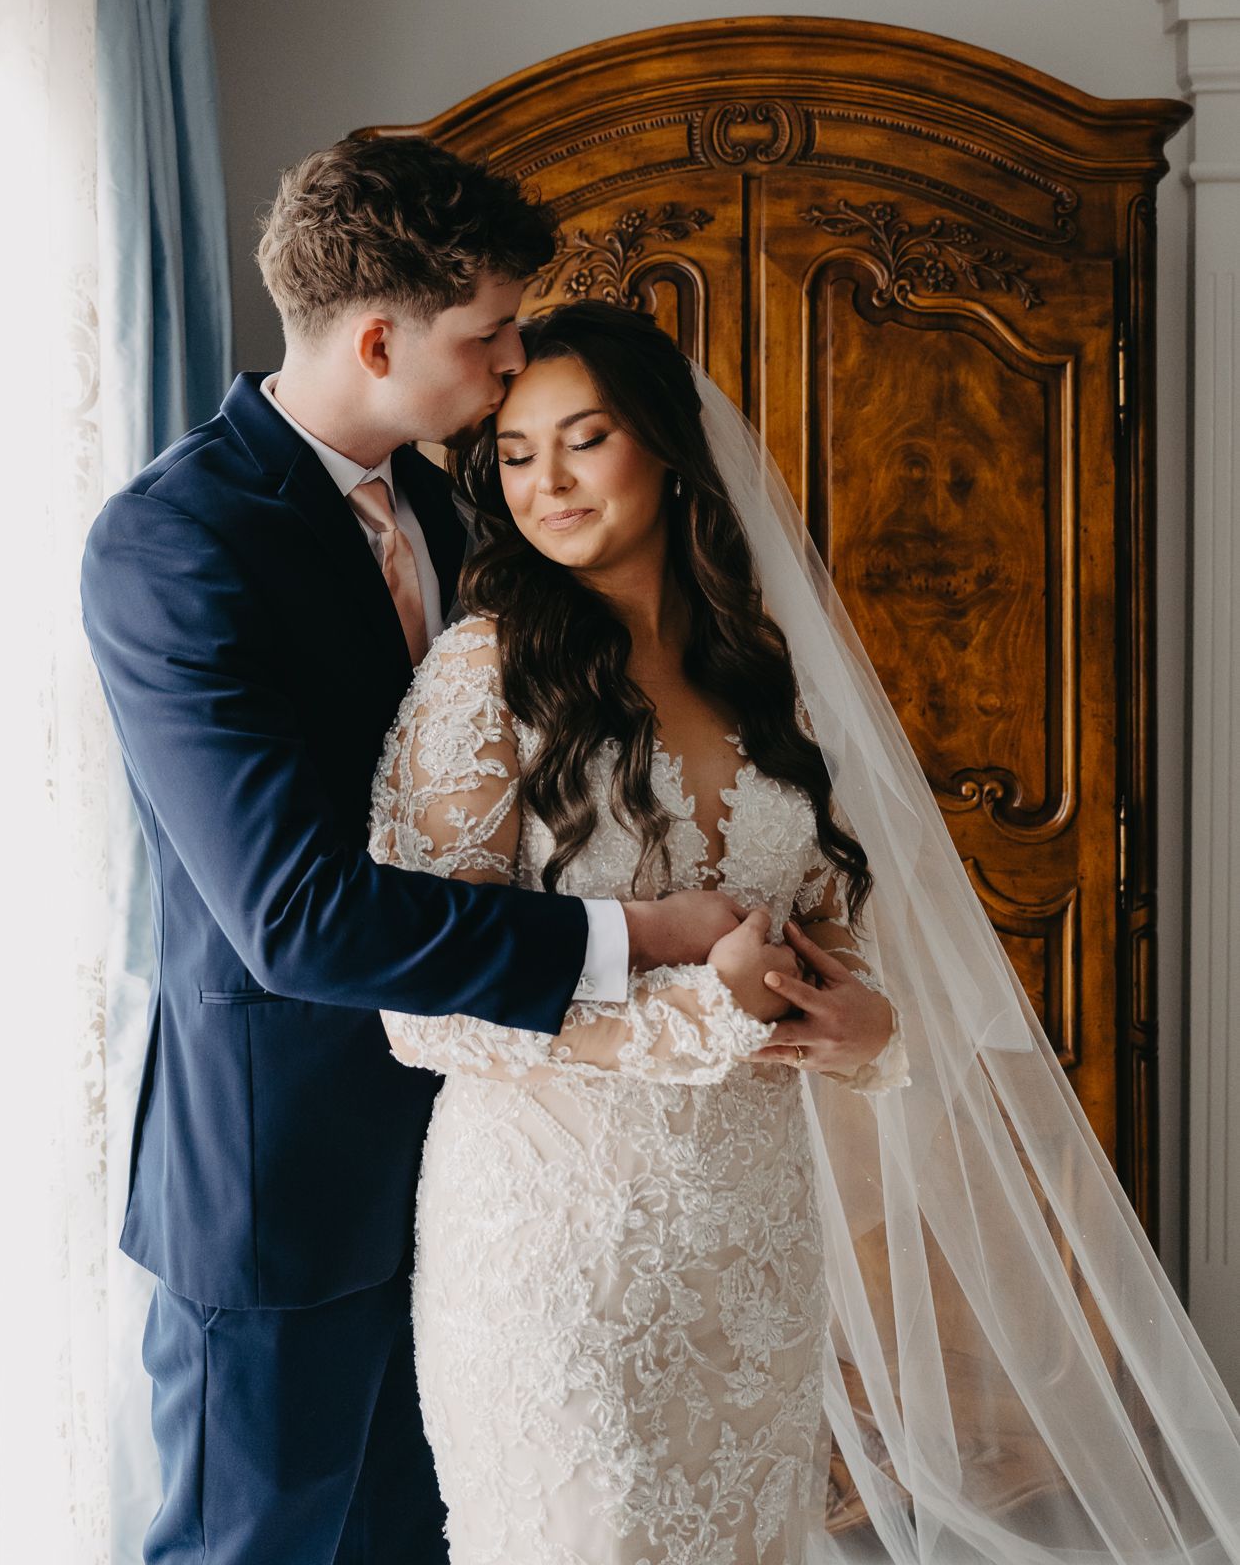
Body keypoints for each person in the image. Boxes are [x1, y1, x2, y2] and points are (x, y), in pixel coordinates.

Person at [370, 299, 1240, 1565]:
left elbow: (834, 922)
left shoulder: (757, 676)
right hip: (555, 1249)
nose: (544, 482)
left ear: (663, 447)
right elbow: (423, 1000)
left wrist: (859, 1016)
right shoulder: (480, 673)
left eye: (585, 437)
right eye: (514, 451)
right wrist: (709, 1008)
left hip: (757, 1242)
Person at [80, 139, 804, 1565]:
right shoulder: (175, 544)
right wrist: (642, 937)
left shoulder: (457, 507)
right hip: (285, 1179)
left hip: (502, 1183)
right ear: (374, 337)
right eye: (485, 333)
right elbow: (294, 919)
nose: (510, 359)